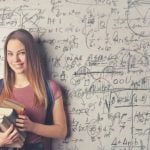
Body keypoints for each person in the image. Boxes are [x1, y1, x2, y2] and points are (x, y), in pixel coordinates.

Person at [0, 29, 67, 150]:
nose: (15, 60)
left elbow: (62, 131)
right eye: (10, 54)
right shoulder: (0, 87)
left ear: (31, 53)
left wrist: (33, 127)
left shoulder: (50, 88)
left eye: (21, 53)